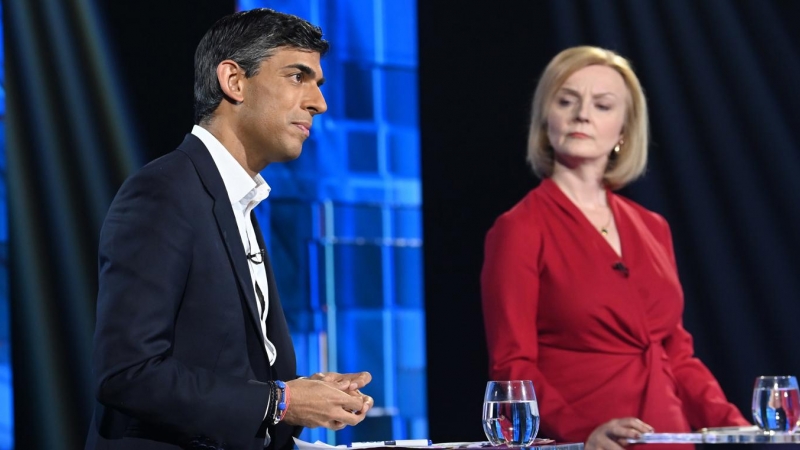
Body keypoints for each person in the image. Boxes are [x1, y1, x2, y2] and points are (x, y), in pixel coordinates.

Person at [85, 8, 374, 450]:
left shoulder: (235, 198)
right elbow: (128, 373)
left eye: (317, 83)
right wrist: (281, 401)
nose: (319, 102)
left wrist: (305, 392)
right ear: (234, 81)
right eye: (298, 77)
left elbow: (221, 368)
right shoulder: (163, 193)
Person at [480, 46, 749, 450]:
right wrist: (581, 432)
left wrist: (734, 424)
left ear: (624, 129)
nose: (582, 114)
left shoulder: (652, 227)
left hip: (667, 435)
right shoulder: (519, 228)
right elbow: (511, 366)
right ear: (545, 119)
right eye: (566, 100)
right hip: (589, 440)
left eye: (602, 105)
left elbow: (675, 352)